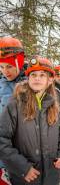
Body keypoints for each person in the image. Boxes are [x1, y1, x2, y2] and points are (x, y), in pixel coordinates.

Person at [0, 56, 60, 185]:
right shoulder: (15, 104)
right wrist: (23, 168)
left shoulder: (54, 106)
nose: (37, 78)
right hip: (25, 178)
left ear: (50, 80)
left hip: (51, 176)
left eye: (42, 75)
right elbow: (2, 140)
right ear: (28, 78)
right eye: (33, 75)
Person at [0, 37, 26, 185]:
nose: (5, 71)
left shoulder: (31, 83)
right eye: (1, 67)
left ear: (19, 61)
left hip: (24, 152)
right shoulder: (0, 84)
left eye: (9, 66)